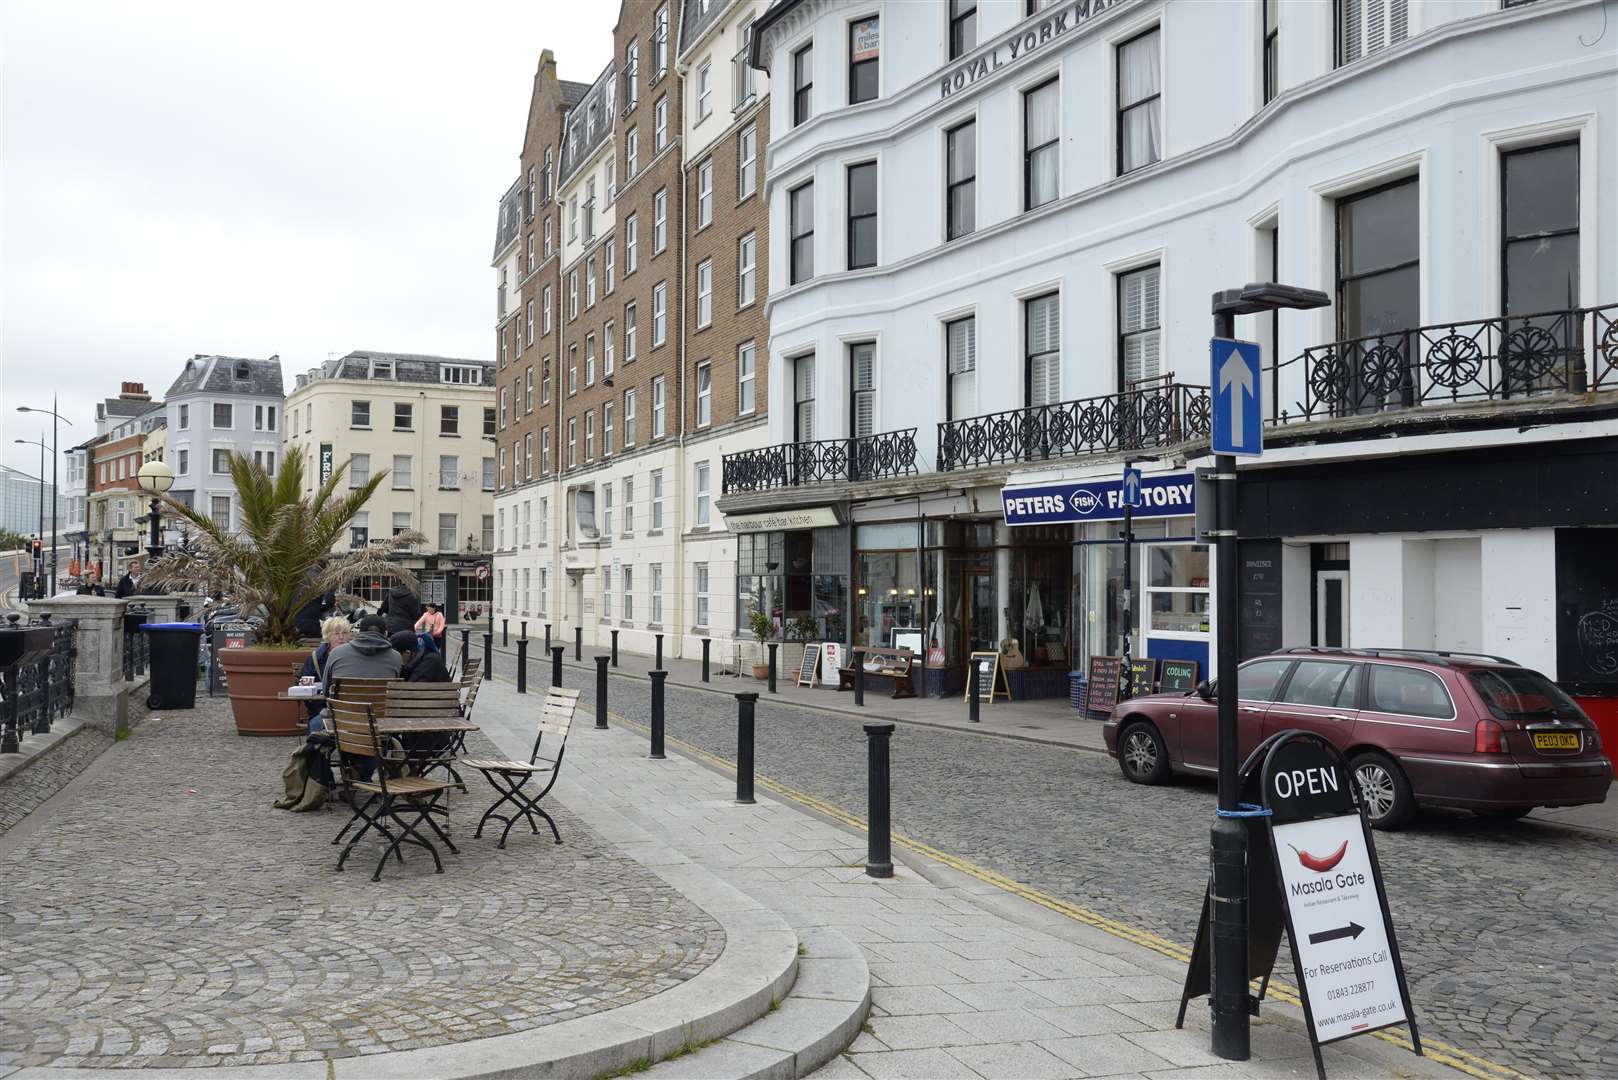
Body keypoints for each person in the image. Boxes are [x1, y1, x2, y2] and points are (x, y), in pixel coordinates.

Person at [312, 615, 401, 735]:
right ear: (385, 633)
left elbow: (326, 690)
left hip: (343, 717)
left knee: (315, 723)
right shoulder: (396, 657)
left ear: (359, 632)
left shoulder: (336, 654)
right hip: (381, 719)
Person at [298, 615, 351, 725]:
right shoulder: (316, 657)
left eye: (344, 633)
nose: (341, 637)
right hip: (322, 708)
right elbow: (304, 686)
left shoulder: (354, 656)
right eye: (336, 634)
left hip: (350, 708)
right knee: (317, 723)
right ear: (328, 636)